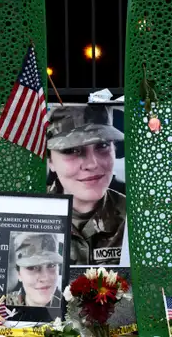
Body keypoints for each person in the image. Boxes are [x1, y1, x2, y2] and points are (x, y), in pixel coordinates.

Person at [46, 105, 126, 266]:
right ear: (50, 161)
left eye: (102, 145)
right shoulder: (29, 215)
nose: (92, 164)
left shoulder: (137, 218)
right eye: (71, 150)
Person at [6, 233, 64, 308]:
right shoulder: (3, 305)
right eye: (32, 267)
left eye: (52, 265)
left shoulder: (72, 306)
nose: (45, 278)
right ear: (19, 273)